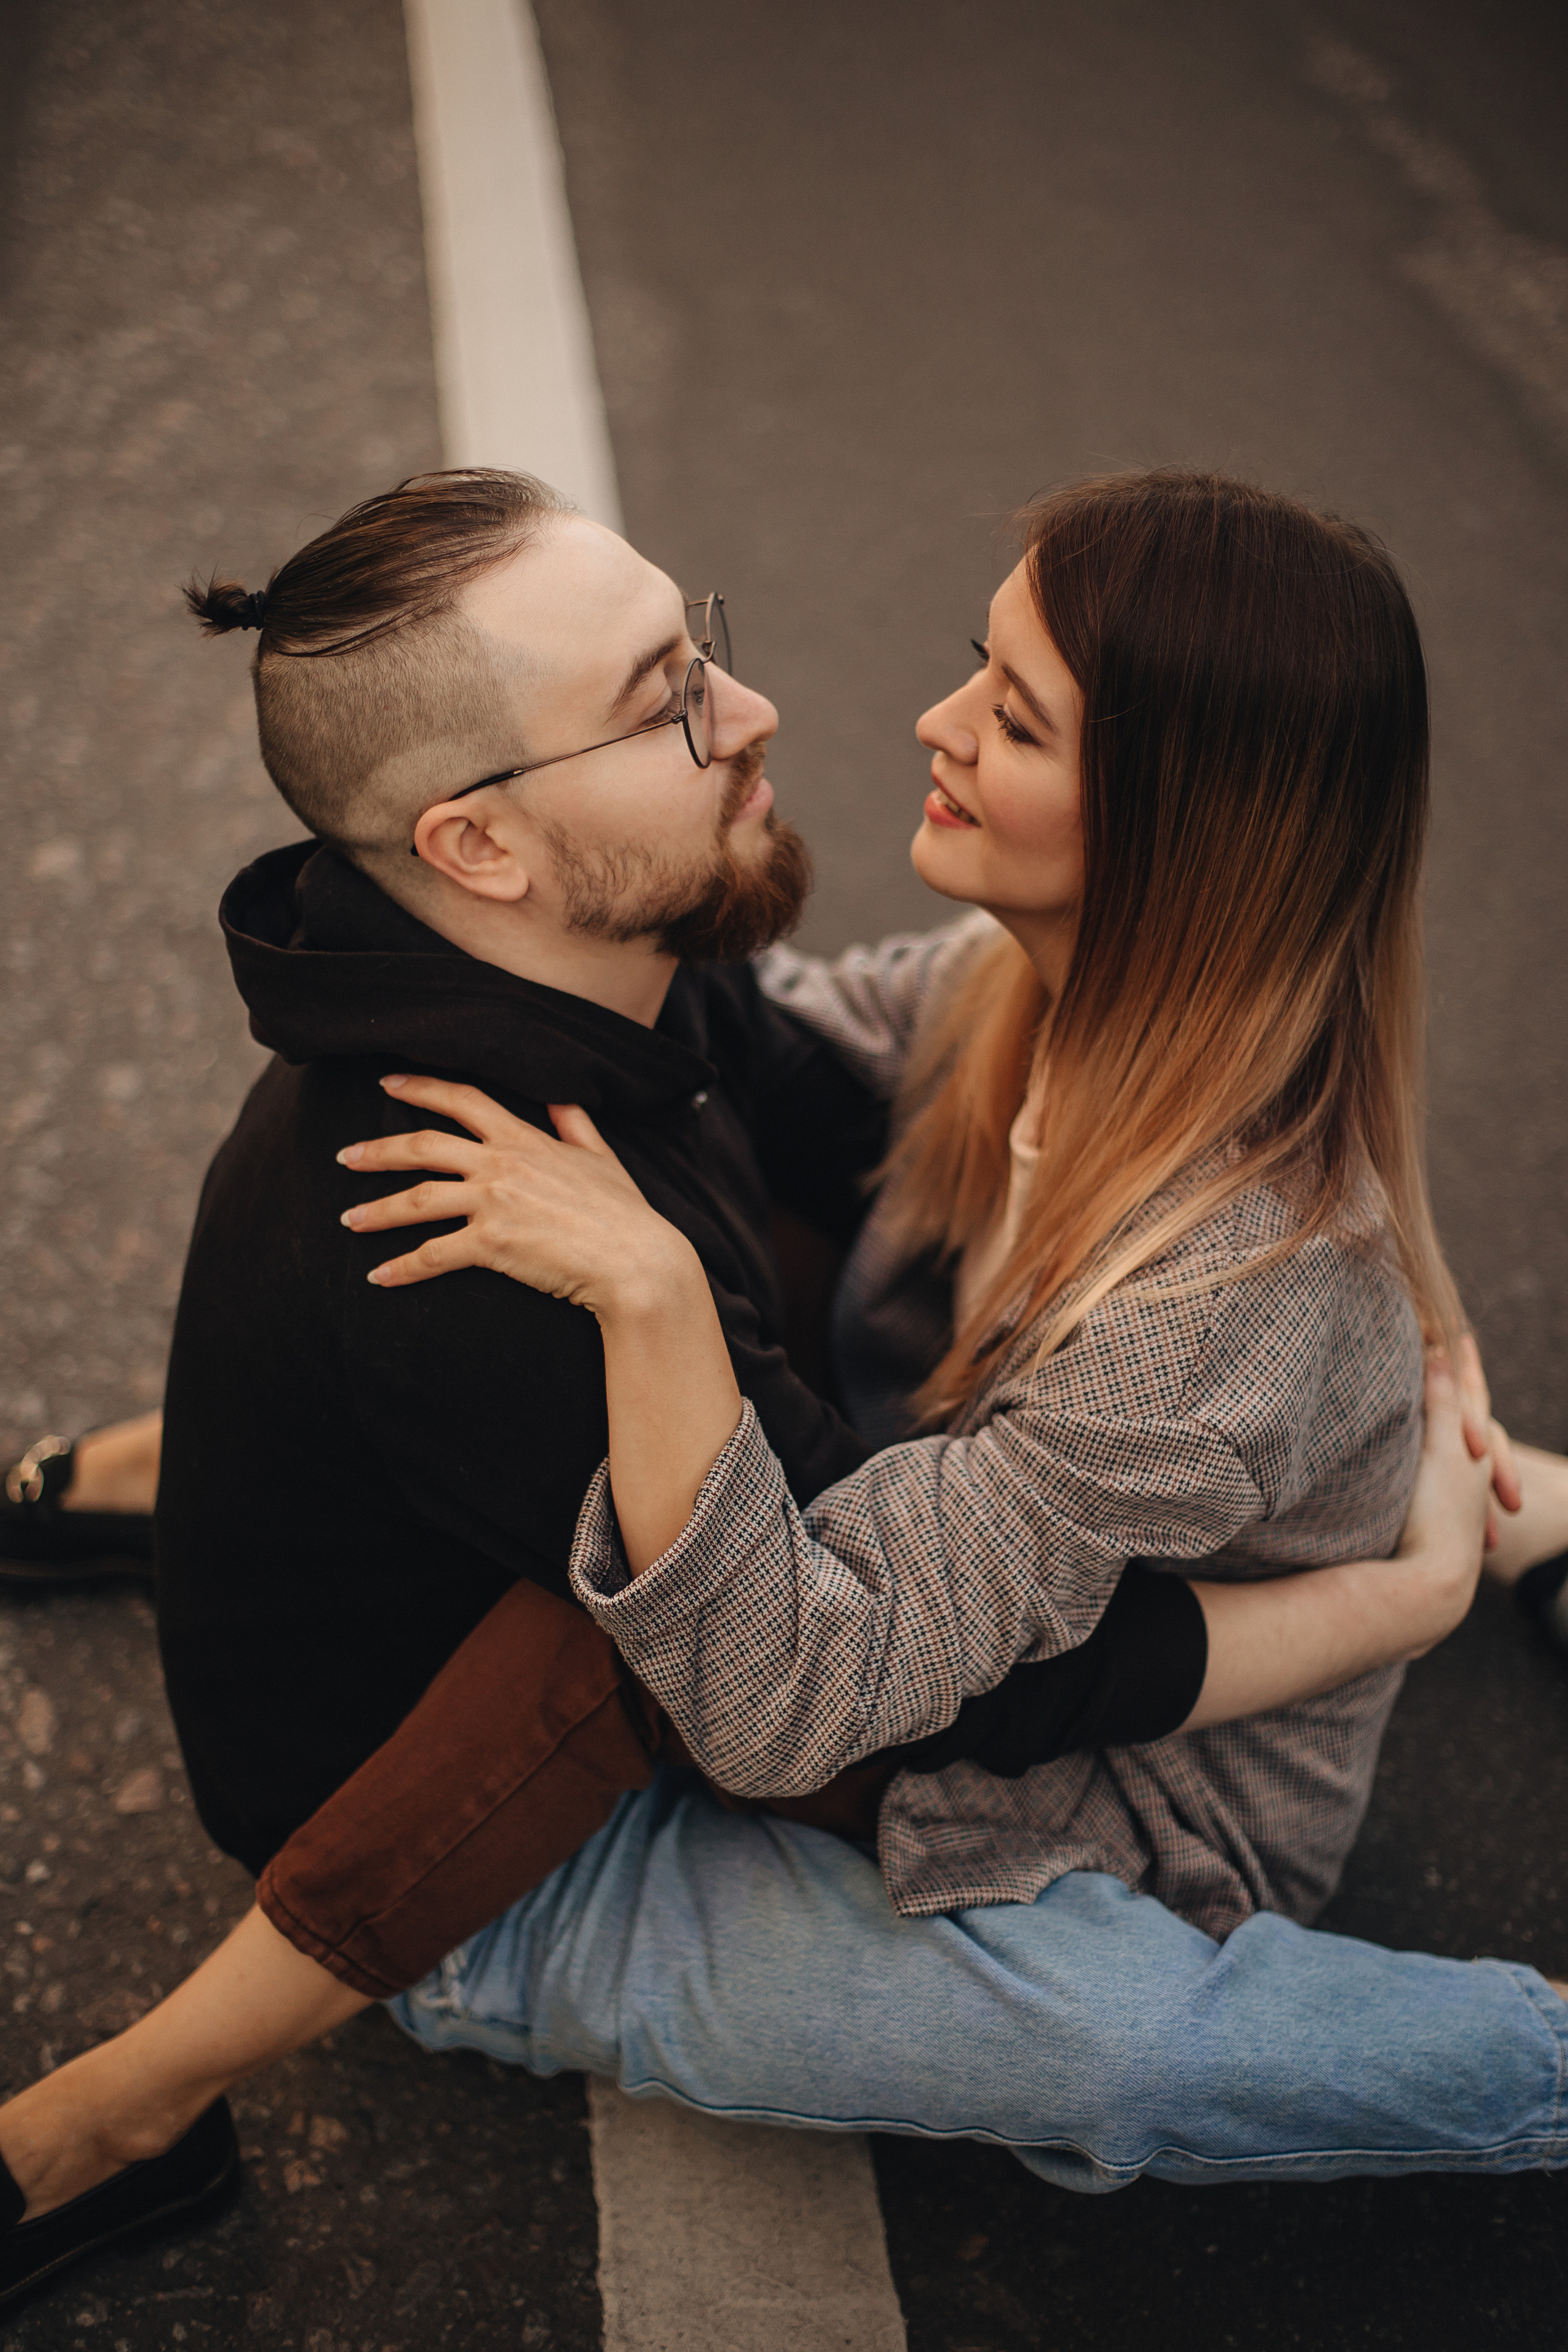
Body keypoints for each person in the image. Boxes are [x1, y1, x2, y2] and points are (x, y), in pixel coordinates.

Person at [6, 463, 1494, 2315]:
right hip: (469, 1851)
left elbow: (848, 1114)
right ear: (477, 846)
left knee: (716, 1478)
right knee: (1109, 2040)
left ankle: (116, 1496)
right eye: (665, 697)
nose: (779, 706)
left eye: (693, 643)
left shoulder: (568, 974)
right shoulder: (490, 1234)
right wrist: (1387, 1601)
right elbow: (797, 1682)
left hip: (761, 1622)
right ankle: (113, 2113)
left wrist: (1402, 1505)